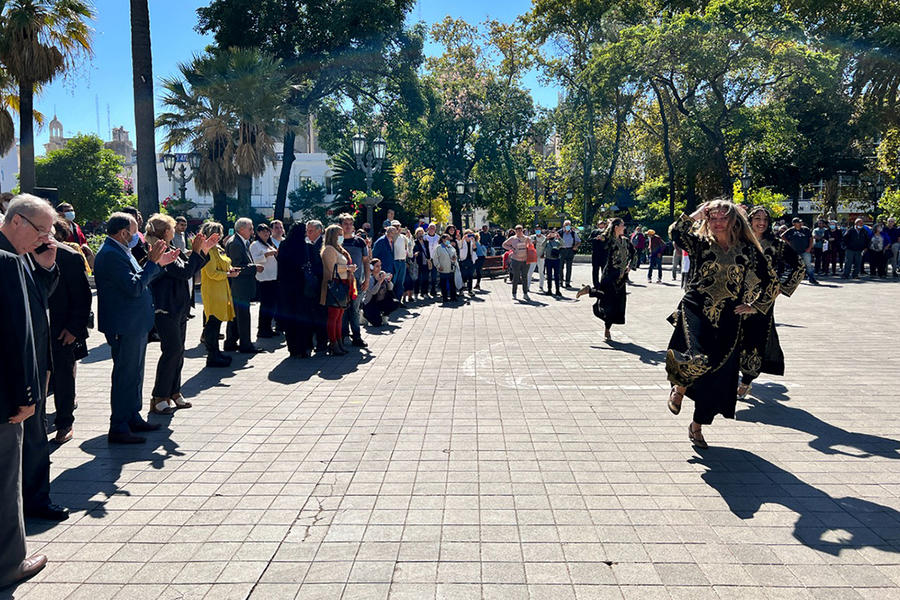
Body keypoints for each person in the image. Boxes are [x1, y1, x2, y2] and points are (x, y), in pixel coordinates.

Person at [664, 200, 777, 449]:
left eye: (722, 218)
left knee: (717, 374)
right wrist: (695, 214)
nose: (716, 223)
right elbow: (675, 232)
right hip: (696, 308)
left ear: (733, 220)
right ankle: (679, 389)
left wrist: (755, 305)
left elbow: (771, 280)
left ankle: (697, 426)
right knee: (696, 357)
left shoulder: (747, 249)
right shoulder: (700, 243)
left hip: (729, 317)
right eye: (712, 218)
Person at [0, 194, 58, 585]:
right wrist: (24, 395)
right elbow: (14, 335)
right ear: (17, 221)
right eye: (40, 230)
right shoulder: (6, 261)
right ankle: (9, 565)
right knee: (6, 484)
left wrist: (45, 266)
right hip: (6, 397)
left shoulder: (20, 258)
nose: (43, 238)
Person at [93, 212, 180, 444]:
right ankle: (119, 425)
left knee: (135, 375)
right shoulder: (111, 254)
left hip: (134, 323)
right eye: (134, 231)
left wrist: (158, 264)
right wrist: (152, 263)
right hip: (124, 324)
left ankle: (132, 417)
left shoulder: (122, 250)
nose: (137, 236)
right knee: (125, 376)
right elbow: (134, 287)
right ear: (123, 233)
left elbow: (141, 279)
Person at [145, 214, 216, 415]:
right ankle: (159, 396)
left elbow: (189, 267)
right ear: (165, 231)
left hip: (179, 308)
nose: (175, 230)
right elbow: (184, 272)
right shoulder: (158, 250)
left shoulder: (168, 248)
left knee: (179, 351)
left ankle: (174, 392)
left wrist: (203, 251)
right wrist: (196, 252)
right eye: (172, 228)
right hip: (165, 308)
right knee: (172, 350)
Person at [738, 206, 805, 398]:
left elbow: (799, 267)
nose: (761, 222)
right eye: (757, 218)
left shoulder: (776, 244)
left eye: (765, 219)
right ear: (749, 220)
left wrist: (778, 289)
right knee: (734, 338)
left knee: (755, 340)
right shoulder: (740, 242)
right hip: (736, 299)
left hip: (762, 302)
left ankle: (746, 380)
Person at [47, 219, 92, 444]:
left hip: (61, 330)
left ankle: (64, 422)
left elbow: (83, 297)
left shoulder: (69, 257)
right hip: (32, 331)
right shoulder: (19, 253)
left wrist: (74, 328)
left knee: (64, 376)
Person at [576, 218, 636, 340]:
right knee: (607, 300)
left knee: (617, 304)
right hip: (610, 275)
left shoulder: (625, 241)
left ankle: (590, 292)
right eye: (622, 225)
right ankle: (607, 329)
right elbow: (603, 239)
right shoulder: (610, 240)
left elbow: (634, 253)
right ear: (616, 227)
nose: (624, 227)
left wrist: (630, 266)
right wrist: (600, 238)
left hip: (621, 278)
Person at [199, 221, 237, 368]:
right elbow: (211, 272)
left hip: (221, 289)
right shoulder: (208, 250)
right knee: (213, 322)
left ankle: (216, 352)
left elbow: (223, 265)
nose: (220, 236)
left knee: (217, 321)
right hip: (213, 290)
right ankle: (212, 354)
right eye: (218, 233)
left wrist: (231, 270)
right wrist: (228, 274)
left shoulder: (217, 248)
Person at [224, 218, 263, 353]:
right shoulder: (236, 243)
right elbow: (236, 267)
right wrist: (254, 268)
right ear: (241, 229)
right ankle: (245, 345)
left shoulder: (240, 242)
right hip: (238, 286)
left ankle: (231, 342)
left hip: (240, 286)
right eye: (250, 228)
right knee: (242, 316)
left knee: (236, 316)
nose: (252, 231)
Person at [320, 224, 357, 356]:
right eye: (339, 234)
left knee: (339, 316)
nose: (342, 236)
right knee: (334, 317)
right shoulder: (329, 249)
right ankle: (334, 343)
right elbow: (331, 269)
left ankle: (338, 342)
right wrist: (347, 269)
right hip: (335, 286)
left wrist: (349, 269)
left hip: (343, 284)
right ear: (334, 235)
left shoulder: (338, 249)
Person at [276, 222, 311, 357]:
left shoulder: (284, 245)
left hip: (286, 286)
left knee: (290, 317)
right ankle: (302, 348)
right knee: (301, 317)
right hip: (300, 286)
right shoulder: (303, 245)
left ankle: (292, 348)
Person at [338, 213, 369, 347]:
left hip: (357, 282)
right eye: (345, 224)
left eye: (350, 224)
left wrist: (367, 279)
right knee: (343, 310)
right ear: (340, 225)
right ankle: (344, 335)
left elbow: (366, 262)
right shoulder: (337, 242)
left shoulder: (360, 242)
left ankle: (357, 336)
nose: (348, 226)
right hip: (341, 282)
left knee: (355, 310)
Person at [250, 223, 279, 338]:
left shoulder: (269, 243)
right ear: (258, 233)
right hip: (264, 278)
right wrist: (266, 255)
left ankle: (268, 328)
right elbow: (254, 259)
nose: (266, 233)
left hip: (273, 277)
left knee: (271, 305)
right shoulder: (255, 245)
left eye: (267, 231)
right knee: (266, 305)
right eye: (263, 232)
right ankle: (262, 329)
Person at [305, 221, 328, 354]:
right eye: (307, 231)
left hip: (320, 284)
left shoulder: (323, 245)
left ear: (319, 231)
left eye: (311, 231)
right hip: (311, 286)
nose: (308, 233)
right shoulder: (309, 244)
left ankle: (322, 343)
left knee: (321, 315)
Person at [55, 202, 95, 268]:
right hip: (65, 261)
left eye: (72, 210)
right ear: (59, 213)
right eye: (67, 211)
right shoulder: (56, 228)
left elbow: (83, 241)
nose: (71, 212)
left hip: (79, 259)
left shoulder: (76, 226)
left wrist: (85, 248)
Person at [781, 217, 818, 285]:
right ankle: (795, 279)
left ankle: (811, 278)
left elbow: (811, 238)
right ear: (794, 224)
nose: (800, 223)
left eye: (800, 222)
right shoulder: (791, 230)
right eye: (798, 222)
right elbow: (782, 236)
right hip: (795, 251)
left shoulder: (805, 229)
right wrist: (788, 243)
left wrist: (809, 248)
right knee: (795, 266)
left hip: (805, 250)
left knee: (808, 265)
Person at [362, 258, 400, 325]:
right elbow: (373, 292)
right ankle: (364, 315)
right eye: (377, 266)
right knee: (377, 323)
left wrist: (388, 281)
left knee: (396, 303)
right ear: (372, 267)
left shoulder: (382, 274)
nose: (379, 268)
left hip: (380, 301)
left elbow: (390, 288)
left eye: (380, 266)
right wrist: (379, 282)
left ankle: (384, 315)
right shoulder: (370, 278)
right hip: (370, 303)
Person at [503, 225, 531, 301]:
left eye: (520, 230)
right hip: (516, 260)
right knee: (516, 277)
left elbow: (531, 246)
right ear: (515, 231)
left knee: (525, 277)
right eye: (517, 230)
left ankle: (525, 293)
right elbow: (504, 244)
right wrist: (511, 249)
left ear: (522, 230)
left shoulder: (526, 238)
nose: (519, 232)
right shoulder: (512, 238)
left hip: (525, 260)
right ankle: (514, 293)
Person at [433, 233, 459, 303]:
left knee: (452, 284)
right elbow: (435, 258)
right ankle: (445, 298)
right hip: (443, 268)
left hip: (451, 268)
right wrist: (438, 266)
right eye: (447, 239)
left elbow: (455, 255)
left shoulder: (451, 247)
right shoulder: (438, 247)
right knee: (443, 284)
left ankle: (453, 297)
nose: (448, 240)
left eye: (449, 239)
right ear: (443, 239)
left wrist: (454, 258)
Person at [558, 220, 580, 287]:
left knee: (569, 267)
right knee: (560, 267)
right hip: (561, 250)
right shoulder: (560, 232)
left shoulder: (573, 233)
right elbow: (555, 241)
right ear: (563, 226)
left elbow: (579, 241)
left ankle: (567, 282)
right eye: (566, 225)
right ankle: (560, 281)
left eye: (568, 225)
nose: (567, 226)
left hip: (570, 250)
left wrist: (575, 246)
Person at [542, 229, 563, 296]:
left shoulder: (557, 242)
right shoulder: (547, 242)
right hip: (548, 260)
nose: (552, 235)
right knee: (549, 276)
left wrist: (559, 237)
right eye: (550, 234)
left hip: (556, 260)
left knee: (557, 275)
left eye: (553, 234)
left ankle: (557, 290)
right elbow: (542, 245)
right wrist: (546, 238)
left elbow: (563, 244)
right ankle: (549, 290)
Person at [589, 220, 608, 289]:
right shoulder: (594, 232)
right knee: (595, 270)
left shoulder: (607, 232)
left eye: (603, 224)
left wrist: (603, 239)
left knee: (604, 270)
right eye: (600, 224)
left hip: (604, 254)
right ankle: (596, 284)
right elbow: (589, 239)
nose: (601, 225)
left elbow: (609, 241)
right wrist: (595, 238)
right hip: (595, 253)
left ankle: (604, 284)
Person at [412, 227, 431, 299]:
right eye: (418, 233)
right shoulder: (415, 242)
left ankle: (425, 293)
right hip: (418, 262)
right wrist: (415, 254)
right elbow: (412, 251)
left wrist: (429, 259)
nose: (420, 234)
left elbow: (428, 251)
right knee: (417, 279)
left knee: (426, 278)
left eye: (421, 233)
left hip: (426, 262)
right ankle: (416, 294)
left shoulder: (426, 242)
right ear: (416, 234)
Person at [392, 223, 409, 302]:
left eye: (398, 226)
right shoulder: (391, 237)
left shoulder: (403, 237)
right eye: (395, 227)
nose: (397, 228)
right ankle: (392, 300)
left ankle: (399, 300)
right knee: (393, 282)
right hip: (395, 261)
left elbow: (409, 245)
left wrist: (409, 236)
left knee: (400, 283)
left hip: (402, 261)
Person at [423, 223, 440, 296]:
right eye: (430, 228)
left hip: (435, 259)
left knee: (434, 276)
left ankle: (433, 290)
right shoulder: (425, 237)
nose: (432, 229)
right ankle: (425, 291)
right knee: (425, 275)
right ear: (428, 229)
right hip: (427, 259)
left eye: (433, 228)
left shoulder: (438, 237)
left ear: (435, 229)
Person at [458, 229, 477, 295]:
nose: (469, 236)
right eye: (468, 234)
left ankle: (470, 290)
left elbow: (475, 249)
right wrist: (463, 239)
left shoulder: (472, 242)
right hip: (463, 259)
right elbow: (459, 247)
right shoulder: (462, 241)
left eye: (470, 234)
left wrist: (473, 241)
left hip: (471, 260)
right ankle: (461, 290)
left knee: (470, 276)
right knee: (463, 276)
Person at [529, 226, 547, 292]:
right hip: (533, 256)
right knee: (530, 271)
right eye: (537, 229)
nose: (538, 231)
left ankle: (541, 286)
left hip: (541, 256)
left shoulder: (544, 238)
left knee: (541, 271)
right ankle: (527, 286)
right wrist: (532, 243)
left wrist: (544, 254)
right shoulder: (532, 237)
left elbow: (546, 247)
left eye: (539, 229)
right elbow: (527, 245)